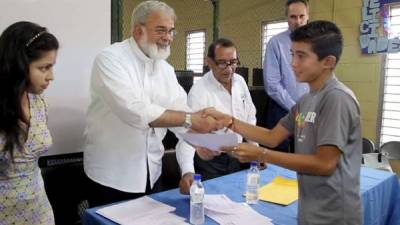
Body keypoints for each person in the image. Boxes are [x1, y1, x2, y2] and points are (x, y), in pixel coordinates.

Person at [211, 21, 362, 225]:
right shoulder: (306, 100)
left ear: (328, 61)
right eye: (292, 54)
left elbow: (325, 163)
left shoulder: (337, 99)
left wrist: (262, 154)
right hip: (310, 210)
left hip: (335, 215)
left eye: (301, 56)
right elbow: (272, 137)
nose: (293, 63)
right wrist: (230, 121)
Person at [83, 0, 225, 207]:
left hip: (152, 173)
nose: (167, 38)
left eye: (171, 31)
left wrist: (202, 142)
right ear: (138, 30)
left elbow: (180, 112)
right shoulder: (110, 59)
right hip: (113, 176)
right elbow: (135, 112)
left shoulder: (165, 69)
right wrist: (190, 120)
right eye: (161, 30)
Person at [176, 38, 258, 186]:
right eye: (222, 63)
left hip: (237, 156)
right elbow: (188, 137)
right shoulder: (199, 92)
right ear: (210, 62)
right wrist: (188, 171)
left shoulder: (240, 81)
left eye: (233, 62)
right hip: (210, 162)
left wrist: (256, 150)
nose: (229, 69)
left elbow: (249, 119)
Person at [0, 21, 59, 225]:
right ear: (18, 66)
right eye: (44, 68)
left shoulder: (39, 102)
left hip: (38, 208)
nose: (51, 76)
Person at [263, 0, 310, 152]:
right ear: (287, 18)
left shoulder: (317, 44)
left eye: (301, 16)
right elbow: (272, 84)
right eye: (293, 17)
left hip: (308, 110)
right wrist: (296, 110)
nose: (298, 21)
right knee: (278, 162)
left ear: (307, 16)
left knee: (305, 160)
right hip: (281, 110)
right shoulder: (275, 43)